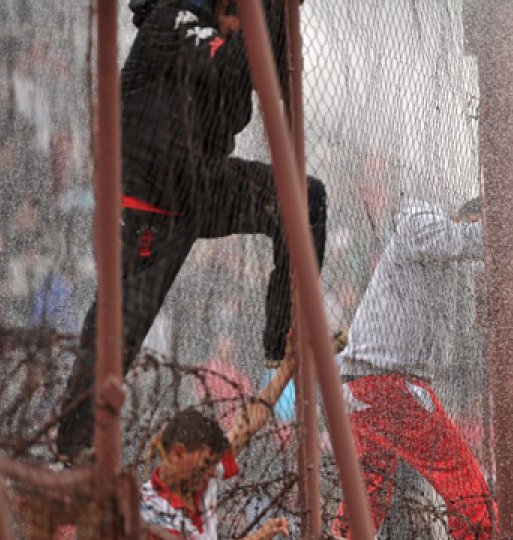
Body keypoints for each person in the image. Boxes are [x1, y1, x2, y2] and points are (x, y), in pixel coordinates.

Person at [56, 0, 328, 461]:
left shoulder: (230, 37)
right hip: (149, 201)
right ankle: (73, 450)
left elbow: (275, 80)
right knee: (119, 327)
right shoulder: (173, 18)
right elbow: (231, 64)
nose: (247, 28)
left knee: (304, 200)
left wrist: (281, 19)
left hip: (200, 187)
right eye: (243, 17)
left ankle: (281, 339)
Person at [332, 195, 513, 539]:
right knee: (468, 490)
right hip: (389, 383)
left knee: (367, 499)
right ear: (471, 219)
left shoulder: (461, 266)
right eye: (492, 235)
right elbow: (460, 238)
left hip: (365, 387)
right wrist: (503, 228)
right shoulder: (420, 219)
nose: (493, 253)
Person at [140, 338, 297, 539]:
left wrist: (287, 368)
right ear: (178, 453)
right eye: (207, 463)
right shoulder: (152, 514)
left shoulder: (200, 477)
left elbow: (247, 427)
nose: (214, 472)